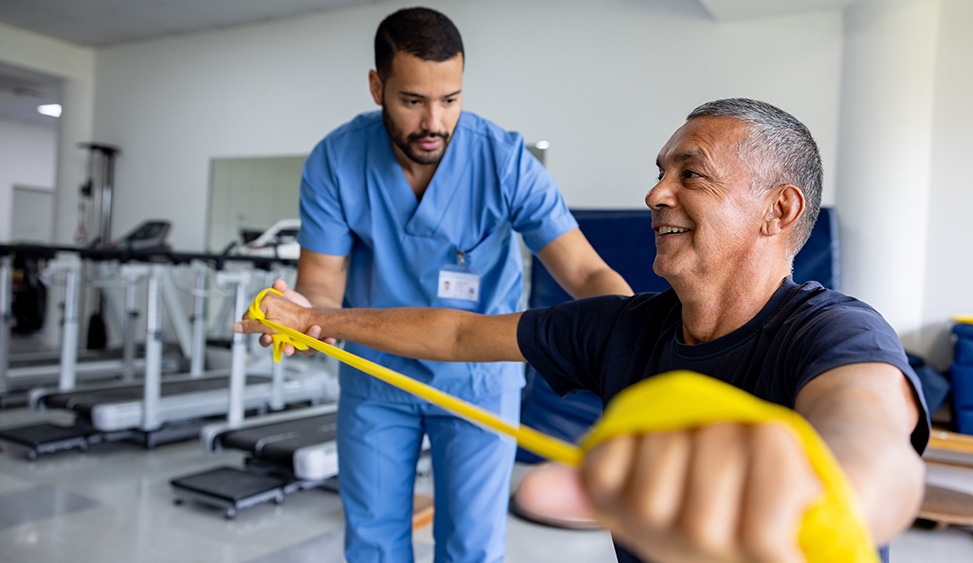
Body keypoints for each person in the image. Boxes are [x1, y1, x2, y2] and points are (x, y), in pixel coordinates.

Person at [239, 98, 929, 563]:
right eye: (659, 172)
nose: (657, 192)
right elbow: (454, 336)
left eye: (691, 173)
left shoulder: (833, 329)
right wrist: (314, 317)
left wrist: (816, 484)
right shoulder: (620, 329)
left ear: (778, 210)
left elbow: (871, 442)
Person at [277, 6, 632, 562]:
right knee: (372, 541)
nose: (434, 122)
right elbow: (321, 283)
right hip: (378, 376)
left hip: (479, 380)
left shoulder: (505, 161)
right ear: (377, 87)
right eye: (413, 101)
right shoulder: (337, 160)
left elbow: (585, 272)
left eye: (450, 100)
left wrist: (639, 334)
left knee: (471, 546)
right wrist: (304, 319)